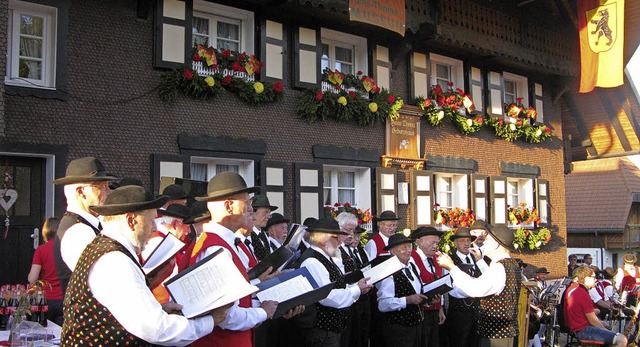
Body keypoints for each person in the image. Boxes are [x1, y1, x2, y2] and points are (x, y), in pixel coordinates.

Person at [61, 185, 227, 346]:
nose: (154, 228)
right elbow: (155, 329)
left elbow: (124, 313)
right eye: (151, 221)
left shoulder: (106, 250)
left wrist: (160, 309)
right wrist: (209, 322)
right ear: (132, 221)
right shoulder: (114, 260)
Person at [180, 172, 278, 347]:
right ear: (229, 206)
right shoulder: (215, 248)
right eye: (247, 202)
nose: (251, 209)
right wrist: (263, 312)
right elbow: (227, 316)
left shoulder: (220, 243)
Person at [438, 224, 522, 347]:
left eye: (487, 240)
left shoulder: (499, 267)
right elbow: (490, 280)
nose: (483, 243)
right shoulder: (510, 264)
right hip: (502, 332)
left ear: (497, 244)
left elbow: (475, 288)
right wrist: (480, 261)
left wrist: (451, 267)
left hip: (497, 335)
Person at [296, 217, 372, 347]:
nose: (339, 243)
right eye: (336, 238)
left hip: (330, 330)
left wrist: (356, 287)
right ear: (323, 240)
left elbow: (338, 284)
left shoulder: (326, 258)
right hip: (321, 331)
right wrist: (356, 290)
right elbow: (326, 296)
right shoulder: (312, 261)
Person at [53, 156, 117, 297]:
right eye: (103, 187)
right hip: (87, 318)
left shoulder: (87, 225)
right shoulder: (77, 232)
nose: (109, 192)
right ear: (81, 192)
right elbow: (105, 282)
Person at [376, 233, 428, 347]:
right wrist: (407, 300)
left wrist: (428, 299)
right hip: (399, 328)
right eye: (404, 248)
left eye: (409, 246)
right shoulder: (388, 272)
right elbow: (383, 304)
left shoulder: (412, 266)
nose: (408, 250)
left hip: (417, 326)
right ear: (393, 252)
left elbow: (417, 291)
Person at [140, 203, 192, 304]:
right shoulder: (158, 242)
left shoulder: (166, 241)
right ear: (176, 225)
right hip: (160, 302)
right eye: (188, 226)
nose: (189, 231)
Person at [564, 266, 627, 347]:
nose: (596, 279)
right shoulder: (582, 293)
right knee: (622, 340)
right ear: (586, 278)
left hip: (577, 328)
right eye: (593, 277)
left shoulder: (573, 288)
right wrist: (606, 331)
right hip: (583, 330)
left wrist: (601, 323)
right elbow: (593, 321)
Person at [410, 226, 446, 347]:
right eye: (432, 243)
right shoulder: (411, 258)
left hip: (434, 312)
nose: (435, 246)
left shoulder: (437, 258)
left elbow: (442, 283)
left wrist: (440, 308)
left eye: (437, 243)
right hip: (420, 312)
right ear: (419, 242)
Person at [446, 227, 482, 347]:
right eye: (462, 241)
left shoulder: (476, 258)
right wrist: (474, 289)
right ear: (455, 243)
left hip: (476, 312)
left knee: (475, 342)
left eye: (468, 240)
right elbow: (451, 288)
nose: (466, 243)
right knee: (459, 342)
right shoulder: (450, 260)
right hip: (458, 313)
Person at [28, 217, 64, 325]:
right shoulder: (68, 248)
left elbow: (32, 278)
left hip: (45, 300)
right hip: (65, 298)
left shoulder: (41, 250)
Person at [250, 195, 278, 260]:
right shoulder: (246, 235)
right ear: (253, 213)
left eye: (269, 213)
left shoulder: (264, 235)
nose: (268, 216)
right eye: (265, 212)